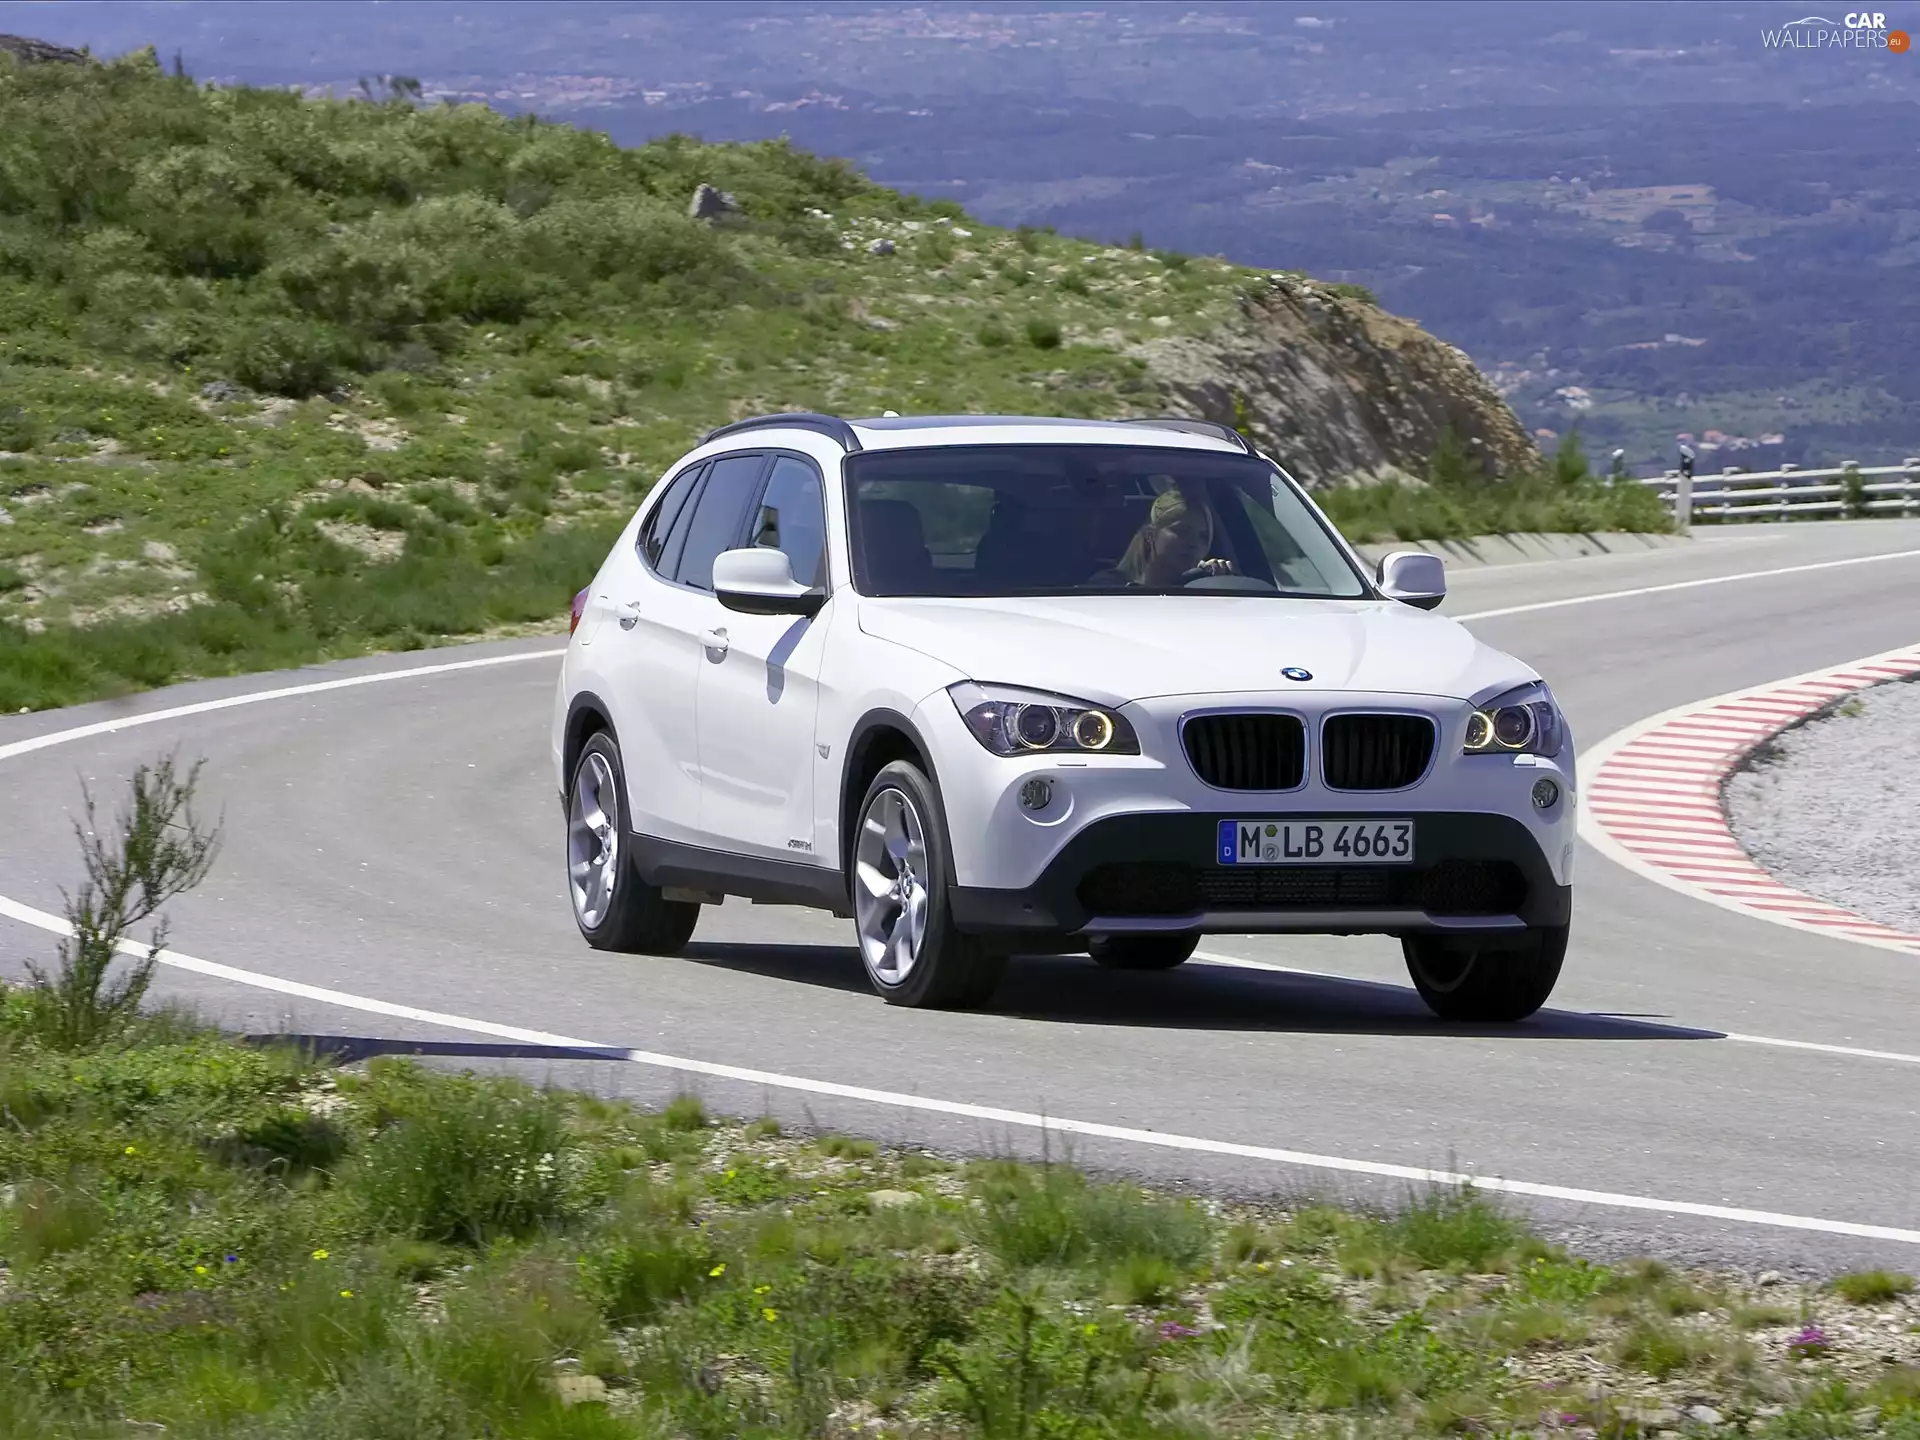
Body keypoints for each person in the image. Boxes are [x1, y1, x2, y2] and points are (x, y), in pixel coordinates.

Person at [1091, 484, 1235, 588]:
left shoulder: (1203, 591)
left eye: (1203, 536)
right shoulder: (1107, 587)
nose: (1193, 543)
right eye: (1182, 531)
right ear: (1150, 536)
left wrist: (1218, 584)